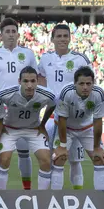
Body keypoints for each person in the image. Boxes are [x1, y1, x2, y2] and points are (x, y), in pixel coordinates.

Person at [0, 17, 39, 190]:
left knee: (23, 151)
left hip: (23, 108)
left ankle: (27, 190)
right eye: (7, 32)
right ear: (1, 35)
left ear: (18, 34)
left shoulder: (28, 54)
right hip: (1, 110)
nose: (11, 35)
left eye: (14, 31)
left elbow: (36, 78)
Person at [51, 66, 104, 209]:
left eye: (88, 83)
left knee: (100, 159)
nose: (85, 87)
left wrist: (97, 147)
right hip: (66, 127)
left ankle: (101, 207)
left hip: (87, 128)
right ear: (75, 84)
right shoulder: (66, 93)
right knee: (59, 159)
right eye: (81, 84)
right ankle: (53, 206)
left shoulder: (99, 94)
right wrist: (63, 146)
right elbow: (62, 120)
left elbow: (98, 121)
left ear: (93, 83)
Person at [38, 24, 92, 191]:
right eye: (59, 36)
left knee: (75, 161)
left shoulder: (80, 59)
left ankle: (77, 197)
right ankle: (55, 201)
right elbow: (40, 80)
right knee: (55, 159)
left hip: (75, 118)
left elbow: (89, 84)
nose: (62, 39)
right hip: (52, 117)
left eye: (65, 36)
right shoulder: (45, 59)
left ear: (69, 38)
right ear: (52, 38)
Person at [0, 66, 56, 190]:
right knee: (4, 159)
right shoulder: (7, 93)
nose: (29, 85)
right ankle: (0, 196)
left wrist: (43, 123)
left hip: (34, 129)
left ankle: (42, 197)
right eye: (25, 81)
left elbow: (52, 105)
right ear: (19, 81)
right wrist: (0, 124)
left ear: (37, 81)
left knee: (46, 160)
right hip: (10, 129)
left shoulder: (47, 95)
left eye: (33, 81)